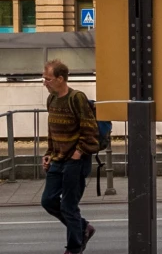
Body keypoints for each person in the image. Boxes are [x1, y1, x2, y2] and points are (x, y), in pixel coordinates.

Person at [41, 59, 96, 253]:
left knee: (68, 206)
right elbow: (52, 130)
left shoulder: (76, 98)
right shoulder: (52, 99)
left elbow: (90, 129)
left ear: (60, 78)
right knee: (48, 200)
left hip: (75, 161)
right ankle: (83, 228)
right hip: (57, 158)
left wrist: (79, 152)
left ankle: (74, 247)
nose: (44, 82)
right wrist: (48, 153)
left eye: (47, 79)